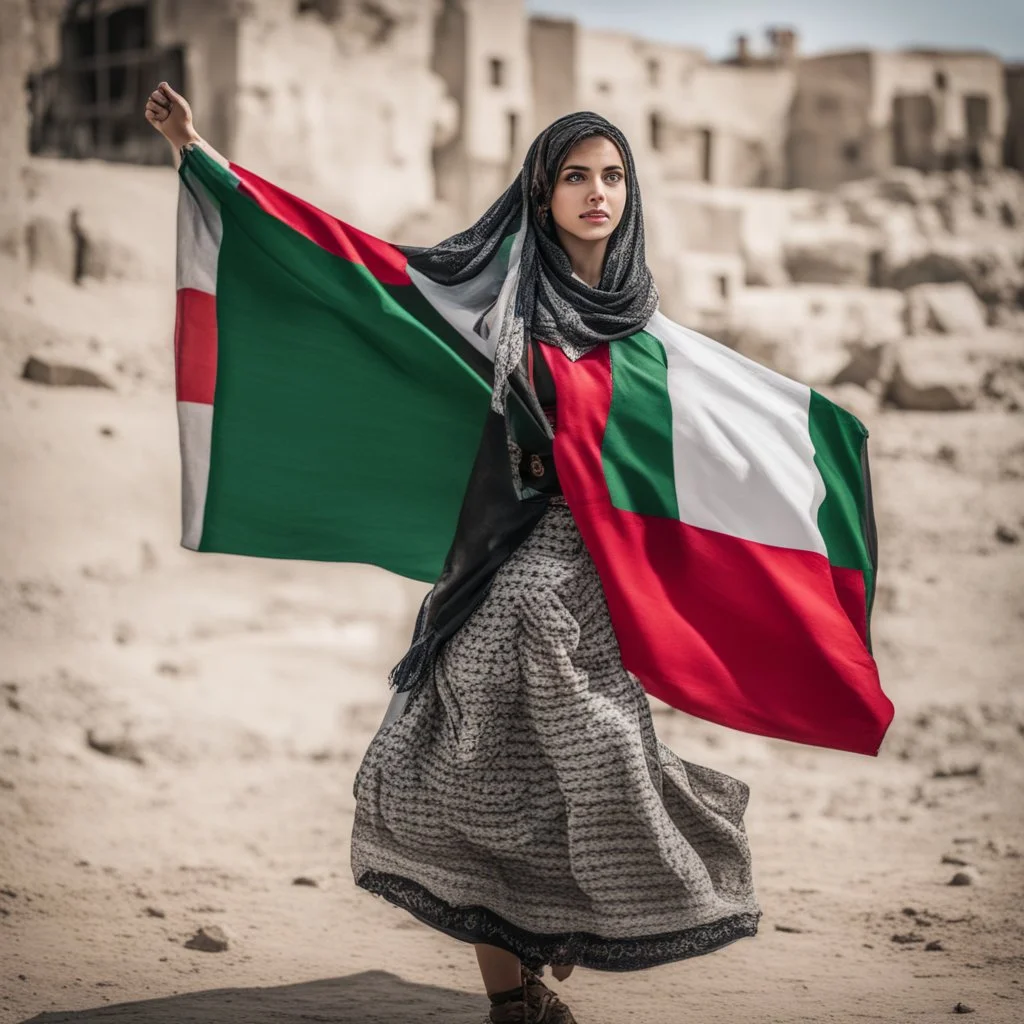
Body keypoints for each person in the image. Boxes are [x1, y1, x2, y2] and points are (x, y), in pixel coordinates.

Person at [146, 81, 765, 1024]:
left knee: (598, 768)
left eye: (612, 177)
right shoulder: (494, 300)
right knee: (469, 787)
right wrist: (204, 159)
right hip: (495, 584)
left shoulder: (646, 329)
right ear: (541, 193)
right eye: (575, 177)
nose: (598, 193)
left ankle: (546, 940)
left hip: (592, 602)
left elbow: (683, 457)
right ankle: (512, 1000)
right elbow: (352, 272)